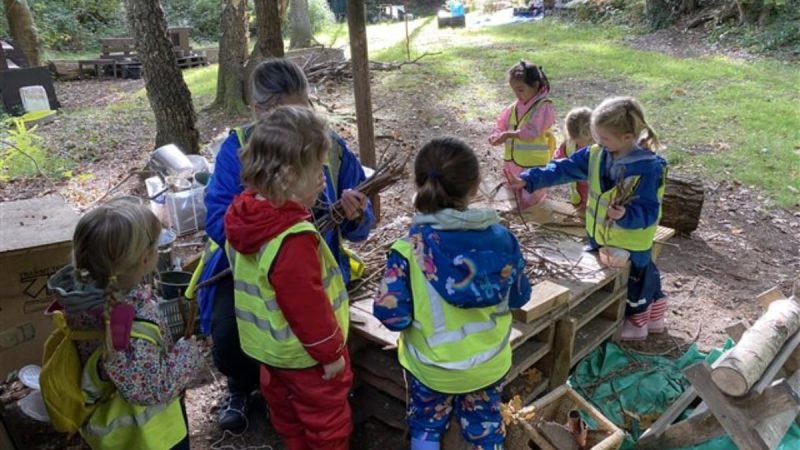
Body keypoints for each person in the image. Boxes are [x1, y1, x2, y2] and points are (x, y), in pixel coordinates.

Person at [190, 58, 374, 431]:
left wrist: (354, 214)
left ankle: (311, 394)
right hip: (249, 265)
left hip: (315, 263)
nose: (297, 121)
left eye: (302, 108)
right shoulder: (239, 148)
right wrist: (274, 221)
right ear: (261, 110)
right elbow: (217, 221)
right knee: (229, 335)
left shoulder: (329, 147)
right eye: (285, 112)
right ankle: (243, 386)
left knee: (312, 327)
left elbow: (362, 228)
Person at [374, 137, 531, 450]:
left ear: (419, 184)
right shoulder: (503, 240)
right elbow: (519, 297)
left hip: (432, 370)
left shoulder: (408, 250)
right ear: (474, 188)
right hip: (489, 365)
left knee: (426, 425)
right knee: (485, 429)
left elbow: (392, 316)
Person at [225, 106, 352, 450]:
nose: (324, 180)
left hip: (269, 352)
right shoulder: (290, 237)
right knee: (327, 422)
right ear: (288, 177)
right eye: (318, 172)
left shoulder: (245, 213)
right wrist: (330, 355)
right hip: (306, 358)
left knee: (287, 415)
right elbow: (306, 305)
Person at [505, 96, 668, 341]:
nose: (598, 143)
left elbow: (649, 211)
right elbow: (563, 168)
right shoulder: (597, 154)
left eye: (604, 138)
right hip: (602, 235)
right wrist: (529, 179)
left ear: (627, 137)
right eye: (596, 136)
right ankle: (653, 317)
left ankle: (639, 324)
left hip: (631, 242)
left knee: (639, 282)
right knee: (625, 280)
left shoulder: (648, 168)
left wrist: (626, 215)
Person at [47, 198, 205, 449]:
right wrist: (188, 356)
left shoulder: (82, 297)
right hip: (146, 438)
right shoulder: (127, 328)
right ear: (145, 259)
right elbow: (149, 389)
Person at [488, 60, 556, 210]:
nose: (517, 95)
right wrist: (496, 134)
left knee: (531, 196)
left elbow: (530, 132)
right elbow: (501, 122)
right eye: (514, 91)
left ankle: (533, 220)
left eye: (520, 89)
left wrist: (507, 135)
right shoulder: (513, 107)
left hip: (533, 164)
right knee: (513, 192)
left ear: (535, 85)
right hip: (512, 163)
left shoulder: (544, 106)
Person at [553, 107, 593, 213]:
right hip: (579, 188)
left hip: (596, 189)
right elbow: (558, 161)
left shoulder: (604, 144)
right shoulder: (569, 144)